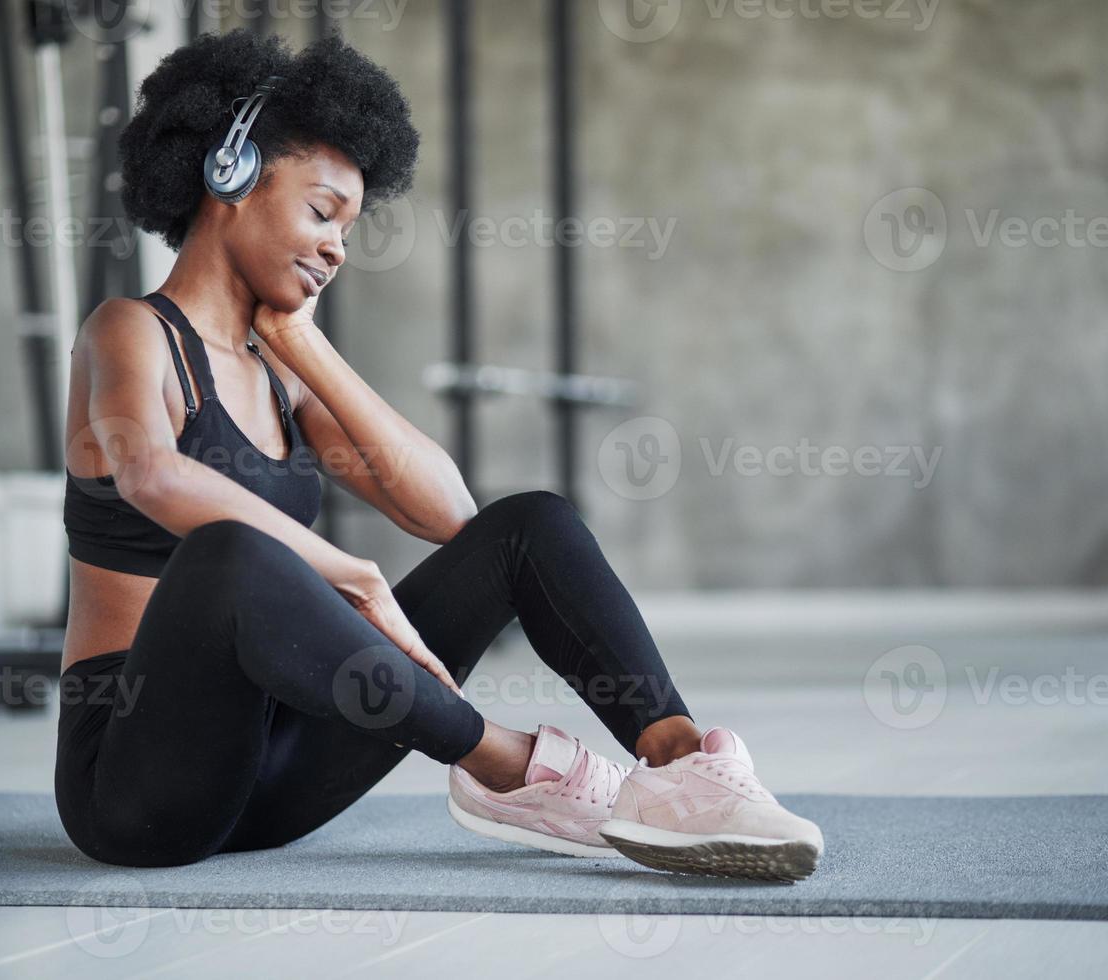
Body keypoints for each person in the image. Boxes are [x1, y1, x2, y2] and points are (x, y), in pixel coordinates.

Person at [55, 29, 823, 882]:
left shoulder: (280, 375)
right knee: (234, 554)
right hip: (137, 791)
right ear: (228, 176)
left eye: (348, 228)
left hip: (273, 781)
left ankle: (680, 766)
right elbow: (152, 474)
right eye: (321, 212)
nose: (337, 248)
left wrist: (306, 351)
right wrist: (352, 573)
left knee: (530, 522)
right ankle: (503, 763)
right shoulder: (129, 332)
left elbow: (451, 516)